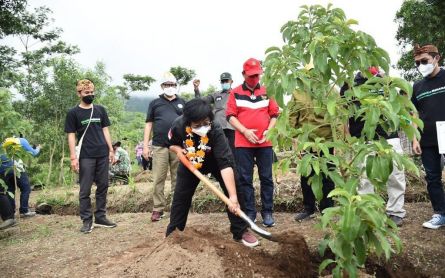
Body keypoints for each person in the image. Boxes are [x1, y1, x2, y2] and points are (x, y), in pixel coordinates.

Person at [166, 98, 259, 247]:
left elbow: (225, 164)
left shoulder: (215, 129)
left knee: (235, 189)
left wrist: (233, 197)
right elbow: (171, 144)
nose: (203, 127)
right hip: (190, 161)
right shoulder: (178, 125)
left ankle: (241, 231)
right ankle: (174, 232)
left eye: (206, 123)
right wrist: (178, 150)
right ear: (188, 122)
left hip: (216, 161)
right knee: (180, 197)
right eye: (197, 125)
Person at [340, 68, 407, 227]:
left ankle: (395, 212)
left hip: (389, 136)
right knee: (363, 178)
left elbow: (404, 96)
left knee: (395, 175)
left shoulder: (386, 81)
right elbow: (343, 112)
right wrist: (347, 136)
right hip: (361, 138)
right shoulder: (350, 84)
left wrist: (386, 79)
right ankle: (368, 211)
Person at [226, 58, 280, 227]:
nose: (254, 79)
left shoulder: (268, 91)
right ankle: (250, 211)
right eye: (251, 76)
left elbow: (274, 114)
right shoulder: (234, 93)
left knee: (266, 178)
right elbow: (230, 116)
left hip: (265, 142)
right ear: (243, 74)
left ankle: (268, 212)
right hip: (243, 143)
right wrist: (245, 131)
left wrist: (269, 130)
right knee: (244, 178)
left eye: (257, 75)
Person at [64, 79, 117, 234]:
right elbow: (71, 136)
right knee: (85, 189)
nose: (90, 95)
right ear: (79, 93)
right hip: (85, 155)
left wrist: (111, 150)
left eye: (92, 92)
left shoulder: (100, 110)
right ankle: (87, 220)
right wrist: (73, 157)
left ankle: (100, 216)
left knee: (103, 186)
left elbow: (105, 130)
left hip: (102, 154)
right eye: (87, 93)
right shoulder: (73, 113)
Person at [288, 63, 336, 222]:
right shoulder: (298, 93)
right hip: (306, 143)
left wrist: (339, 144)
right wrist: (295, 140)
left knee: (327, 176)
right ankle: (308, 208)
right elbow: (292, 119)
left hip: (327, 142)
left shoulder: (330, 92)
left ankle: (327, 209)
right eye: (309, 73)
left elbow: (339, 119)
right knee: (306, 176)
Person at [143, 72, 186, 222]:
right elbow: (149, 124)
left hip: (178, 146)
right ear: (162, 86)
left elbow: (188, 124)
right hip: (159, 145)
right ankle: (158, 209)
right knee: (158, 179)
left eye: (172, 85)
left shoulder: (182, 102)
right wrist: (145, 146)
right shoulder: (155, 103)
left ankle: (177, 208)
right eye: (167, 85)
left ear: (176, 86)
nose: (170, 87)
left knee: (178, 178)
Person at [411, 44, 445, 229]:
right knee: (432, 177)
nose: (421, 65)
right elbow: (414, 114)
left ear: (436, 58)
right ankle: (440, 213)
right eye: (417, 63)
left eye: (424, 61)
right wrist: (415, 138)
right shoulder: (417, 86)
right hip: (427, 138)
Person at [193, 72, 236, 154]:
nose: (225, 83)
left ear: (231, 81)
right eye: (223, 81)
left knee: (233, 151)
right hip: (219, 126)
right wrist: (196, 89)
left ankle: (234, 166)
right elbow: (201, 101)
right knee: (218, 149)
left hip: (232, 127)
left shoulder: (237, 93)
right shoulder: (216, 94)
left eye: (226, 81)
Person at [0, 136, 41, 218]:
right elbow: (33, 153)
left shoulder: (3, 143)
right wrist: (38, 148)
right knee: (26, 188)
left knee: (9, 191)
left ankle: (11, 214)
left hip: (2, 171)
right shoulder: (21, 140)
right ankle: (24, 210)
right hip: (16, 168)